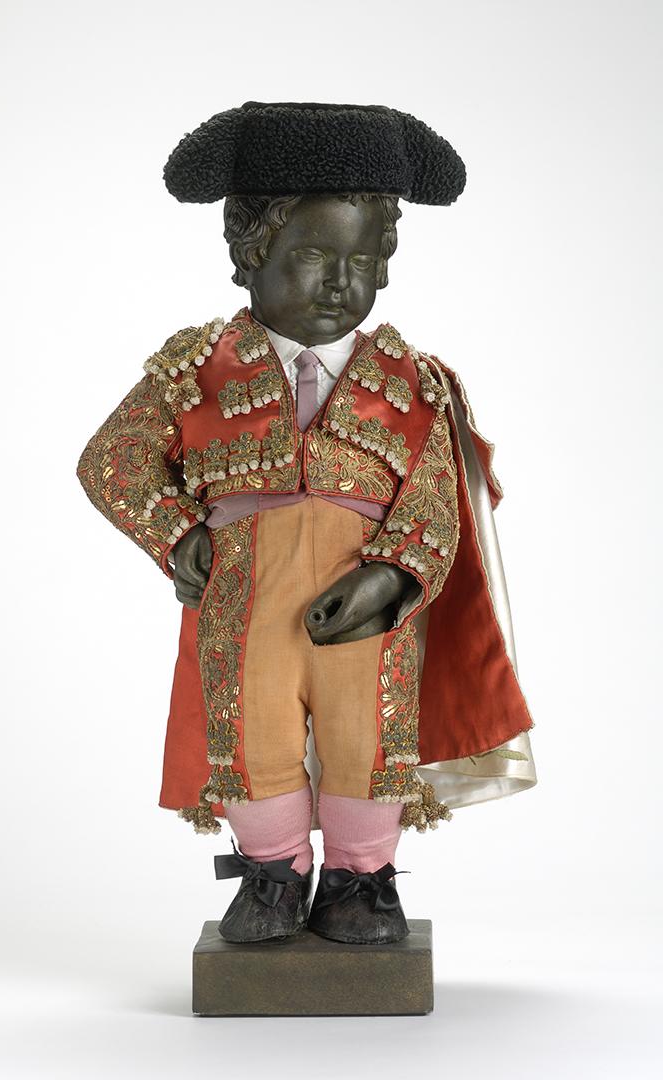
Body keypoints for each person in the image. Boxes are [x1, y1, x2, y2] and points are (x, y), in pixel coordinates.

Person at [77, 101, 536, 946]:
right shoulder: (195, 369)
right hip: (243, 597)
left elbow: (434, 497)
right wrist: (176, 532)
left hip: (362, 601)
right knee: (254, 730)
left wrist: (392, 576)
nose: (340, 284)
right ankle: (273, 876)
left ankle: (362, 880)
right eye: (315, 255)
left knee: (367, 733)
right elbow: (112, 459)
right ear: (250, 253)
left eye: (362, 260)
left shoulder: (411, 380)